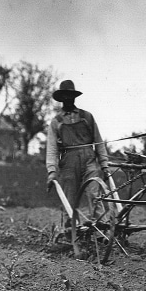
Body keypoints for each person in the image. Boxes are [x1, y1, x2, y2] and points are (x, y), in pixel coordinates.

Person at [46, 80, 110, 232]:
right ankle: (72, 232)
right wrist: (51, 171)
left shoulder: (87, 117)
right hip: (69, 160)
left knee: (95, 194)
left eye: (71, 95)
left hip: (89, 159)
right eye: (65, 96)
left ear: (75, 97)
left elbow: (99, 141)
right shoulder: (56, 122)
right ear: (61, 99)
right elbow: (52, 148)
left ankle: (101, 229)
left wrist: (104, 164)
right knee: (69, 198)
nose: (68, 99)